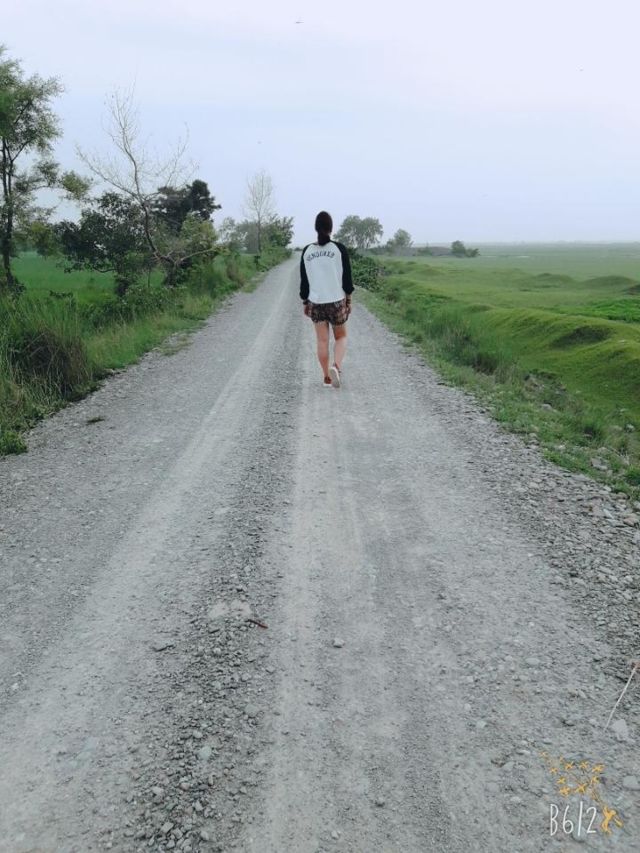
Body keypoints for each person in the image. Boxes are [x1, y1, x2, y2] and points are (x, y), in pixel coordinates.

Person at [299, 211, 353, 388]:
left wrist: (305, 301)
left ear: (316, 228)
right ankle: (336, 366)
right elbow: (347, 279)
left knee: (322, 341)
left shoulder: (307, 251)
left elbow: (304, 281)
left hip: (316, 302)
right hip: (336, 300)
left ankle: (326, 378)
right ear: (331, 228)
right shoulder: (339, 249)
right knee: (341, 336)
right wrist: (348, 300)